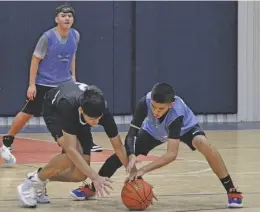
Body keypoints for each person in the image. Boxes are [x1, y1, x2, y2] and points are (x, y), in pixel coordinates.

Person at [71, 82, 243, 208]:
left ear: (171, 104)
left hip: (185, 129)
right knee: (120, 155)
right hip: (153, 131)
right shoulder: (144, 102)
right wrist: (131, 154)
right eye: (154, 107)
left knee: (204, 144)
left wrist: (143, 170)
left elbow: (171, 154)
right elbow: (131, 134)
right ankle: (93, 187)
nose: (155, 111)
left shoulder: (177, 114)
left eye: (161, 109)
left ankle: (231, 189)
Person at [1, 4, 103, 161]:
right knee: (27, 113)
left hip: (65, 83)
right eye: (63, 15)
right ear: (57, 19)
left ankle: (86, 141)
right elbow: (35, 60)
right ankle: (7, 140)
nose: (67, 18)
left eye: (69, 16)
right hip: (45, 83)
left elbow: (72, 56)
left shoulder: (75, 35)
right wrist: (32, 84)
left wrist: (73, 77)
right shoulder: (47, 38)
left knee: (79, 110)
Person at [17, 81, 129, 208]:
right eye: (92, 119)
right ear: (81, 110)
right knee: (74, 153)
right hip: (55, 110)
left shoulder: (101, 110)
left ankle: (41, 176)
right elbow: (71, 150)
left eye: (99, 118)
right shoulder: (68, 107)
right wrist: (96, 178)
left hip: (78, 114)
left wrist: (133, 174)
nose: (97, 122)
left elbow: (119, 147)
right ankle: (32, 183)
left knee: (80, 175)